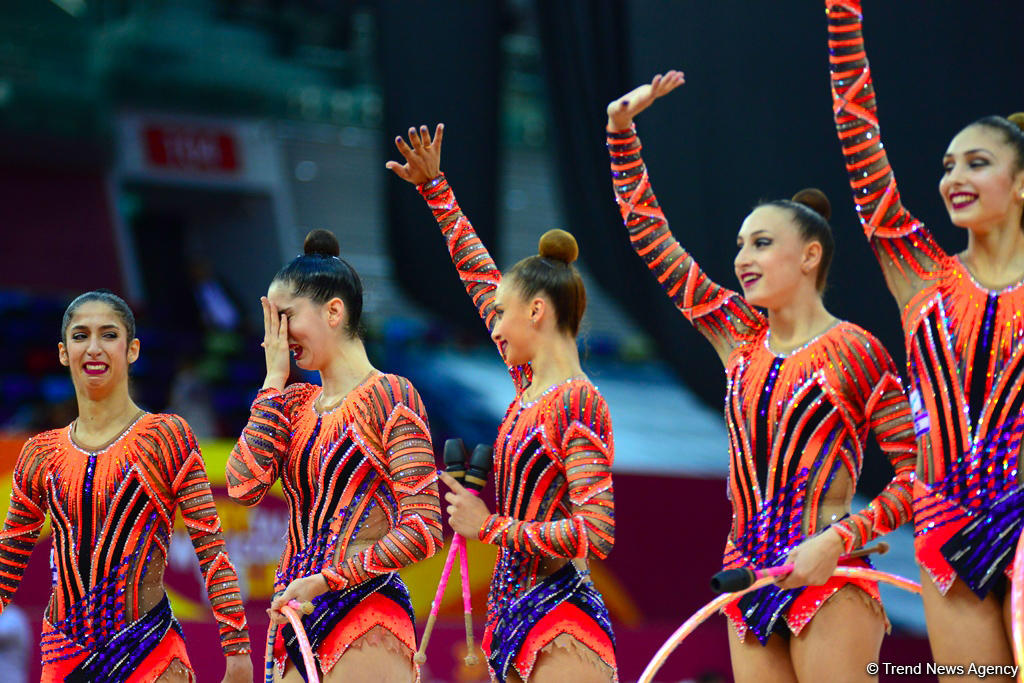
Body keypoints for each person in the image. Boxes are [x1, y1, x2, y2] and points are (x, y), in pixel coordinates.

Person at [606, 73, 916, 681]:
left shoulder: (856, 350)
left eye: (762, 243)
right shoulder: (737, 336)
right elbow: (651, 237)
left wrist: (844, 536)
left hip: (830, 573)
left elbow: (919, 473)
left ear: (809, 255)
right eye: (741, 245)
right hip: (746, 575)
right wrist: (621, 134)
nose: (742, 259)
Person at [824, 1, 1024, 676]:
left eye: (977, 163)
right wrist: (841, 13)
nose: (954, 178)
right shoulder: (921, 278)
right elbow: (860, 145)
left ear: (1021, 183)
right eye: (947, 165)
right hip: (948, 533)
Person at [387, 125, 617, 682]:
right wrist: (436, 191)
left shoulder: (577, 402)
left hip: (562, 617)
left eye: (503, 313)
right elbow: (478, 276)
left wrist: (491, 526)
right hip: (514, 619)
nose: (492, 325)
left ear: (537, 312)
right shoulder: (528, 389)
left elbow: (596, 531)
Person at [0, 290, 252, 682]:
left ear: (132, 349)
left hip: (149, 652)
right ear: (64, 352)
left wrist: (237, 651)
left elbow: (211, 548)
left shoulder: (166, 436)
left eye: (109, 335)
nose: (94, 348)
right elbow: (9, 560)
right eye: (81, 336)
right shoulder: (41, 453)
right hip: (65, 659)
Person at [226, 229, 442, 682]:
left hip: (366, 613)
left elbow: (424, 529)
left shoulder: (391, 396)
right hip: (296, 618)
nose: (277, 336)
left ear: (333, 311)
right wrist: (272, 382)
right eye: (271, 322)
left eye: (285, 317)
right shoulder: (293, 403)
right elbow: (242, 487)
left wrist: (329, 579)